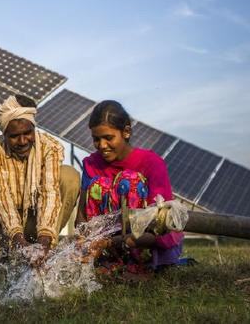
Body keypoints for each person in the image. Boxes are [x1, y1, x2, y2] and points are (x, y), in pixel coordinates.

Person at [0, 94, 80, 259]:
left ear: (34, 127)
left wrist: (44, 239)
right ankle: (1, 252)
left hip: (39, 218)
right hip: (6, 221)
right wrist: (17, 238)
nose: (22, 141)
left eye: (27, 132)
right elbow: (1, 196)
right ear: (4, 134)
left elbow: (50, 193)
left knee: (69, 176)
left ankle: (48, 250)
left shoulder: (50, 147)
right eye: (14, 136)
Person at [76, 100, 184, 271]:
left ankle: (140, 265)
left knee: (129, 182)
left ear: (126, 132)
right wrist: (83, 242)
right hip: (104, 247)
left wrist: (111, 242)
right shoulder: (91, 164)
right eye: (96, 139)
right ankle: (109, 261)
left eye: (108, 138)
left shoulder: (151, 163)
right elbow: (82, 215)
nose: (102, 145)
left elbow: (160, 224)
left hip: (146, 243)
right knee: (99, 185)